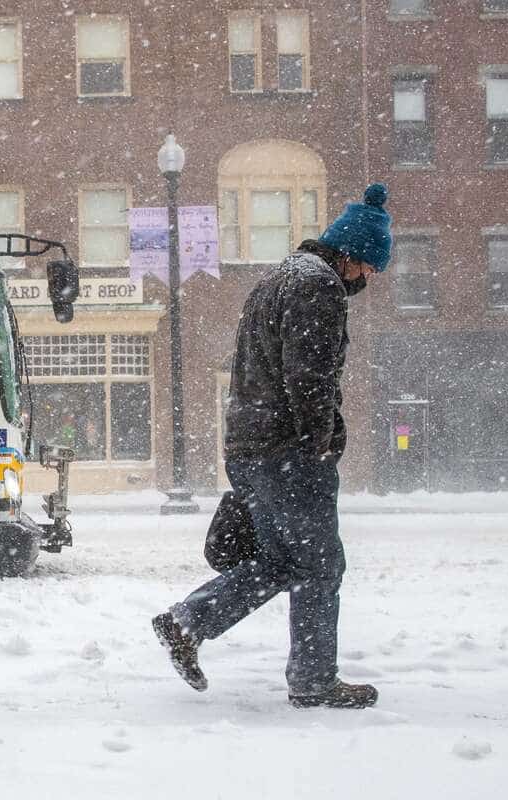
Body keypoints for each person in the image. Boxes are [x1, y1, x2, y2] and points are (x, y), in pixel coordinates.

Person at [152, 183, 393, 710]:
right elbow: (310, 376)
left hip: (251, 445)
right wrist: (322, 440)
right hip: (287, 451)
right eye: (372, 265)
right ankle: (312, 681)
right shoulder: (317, 287)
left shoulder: (278, 279)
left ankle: (187, 622)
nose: (371, 276)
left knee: (288, 561)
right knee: (321, 565)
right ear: (352, 253)